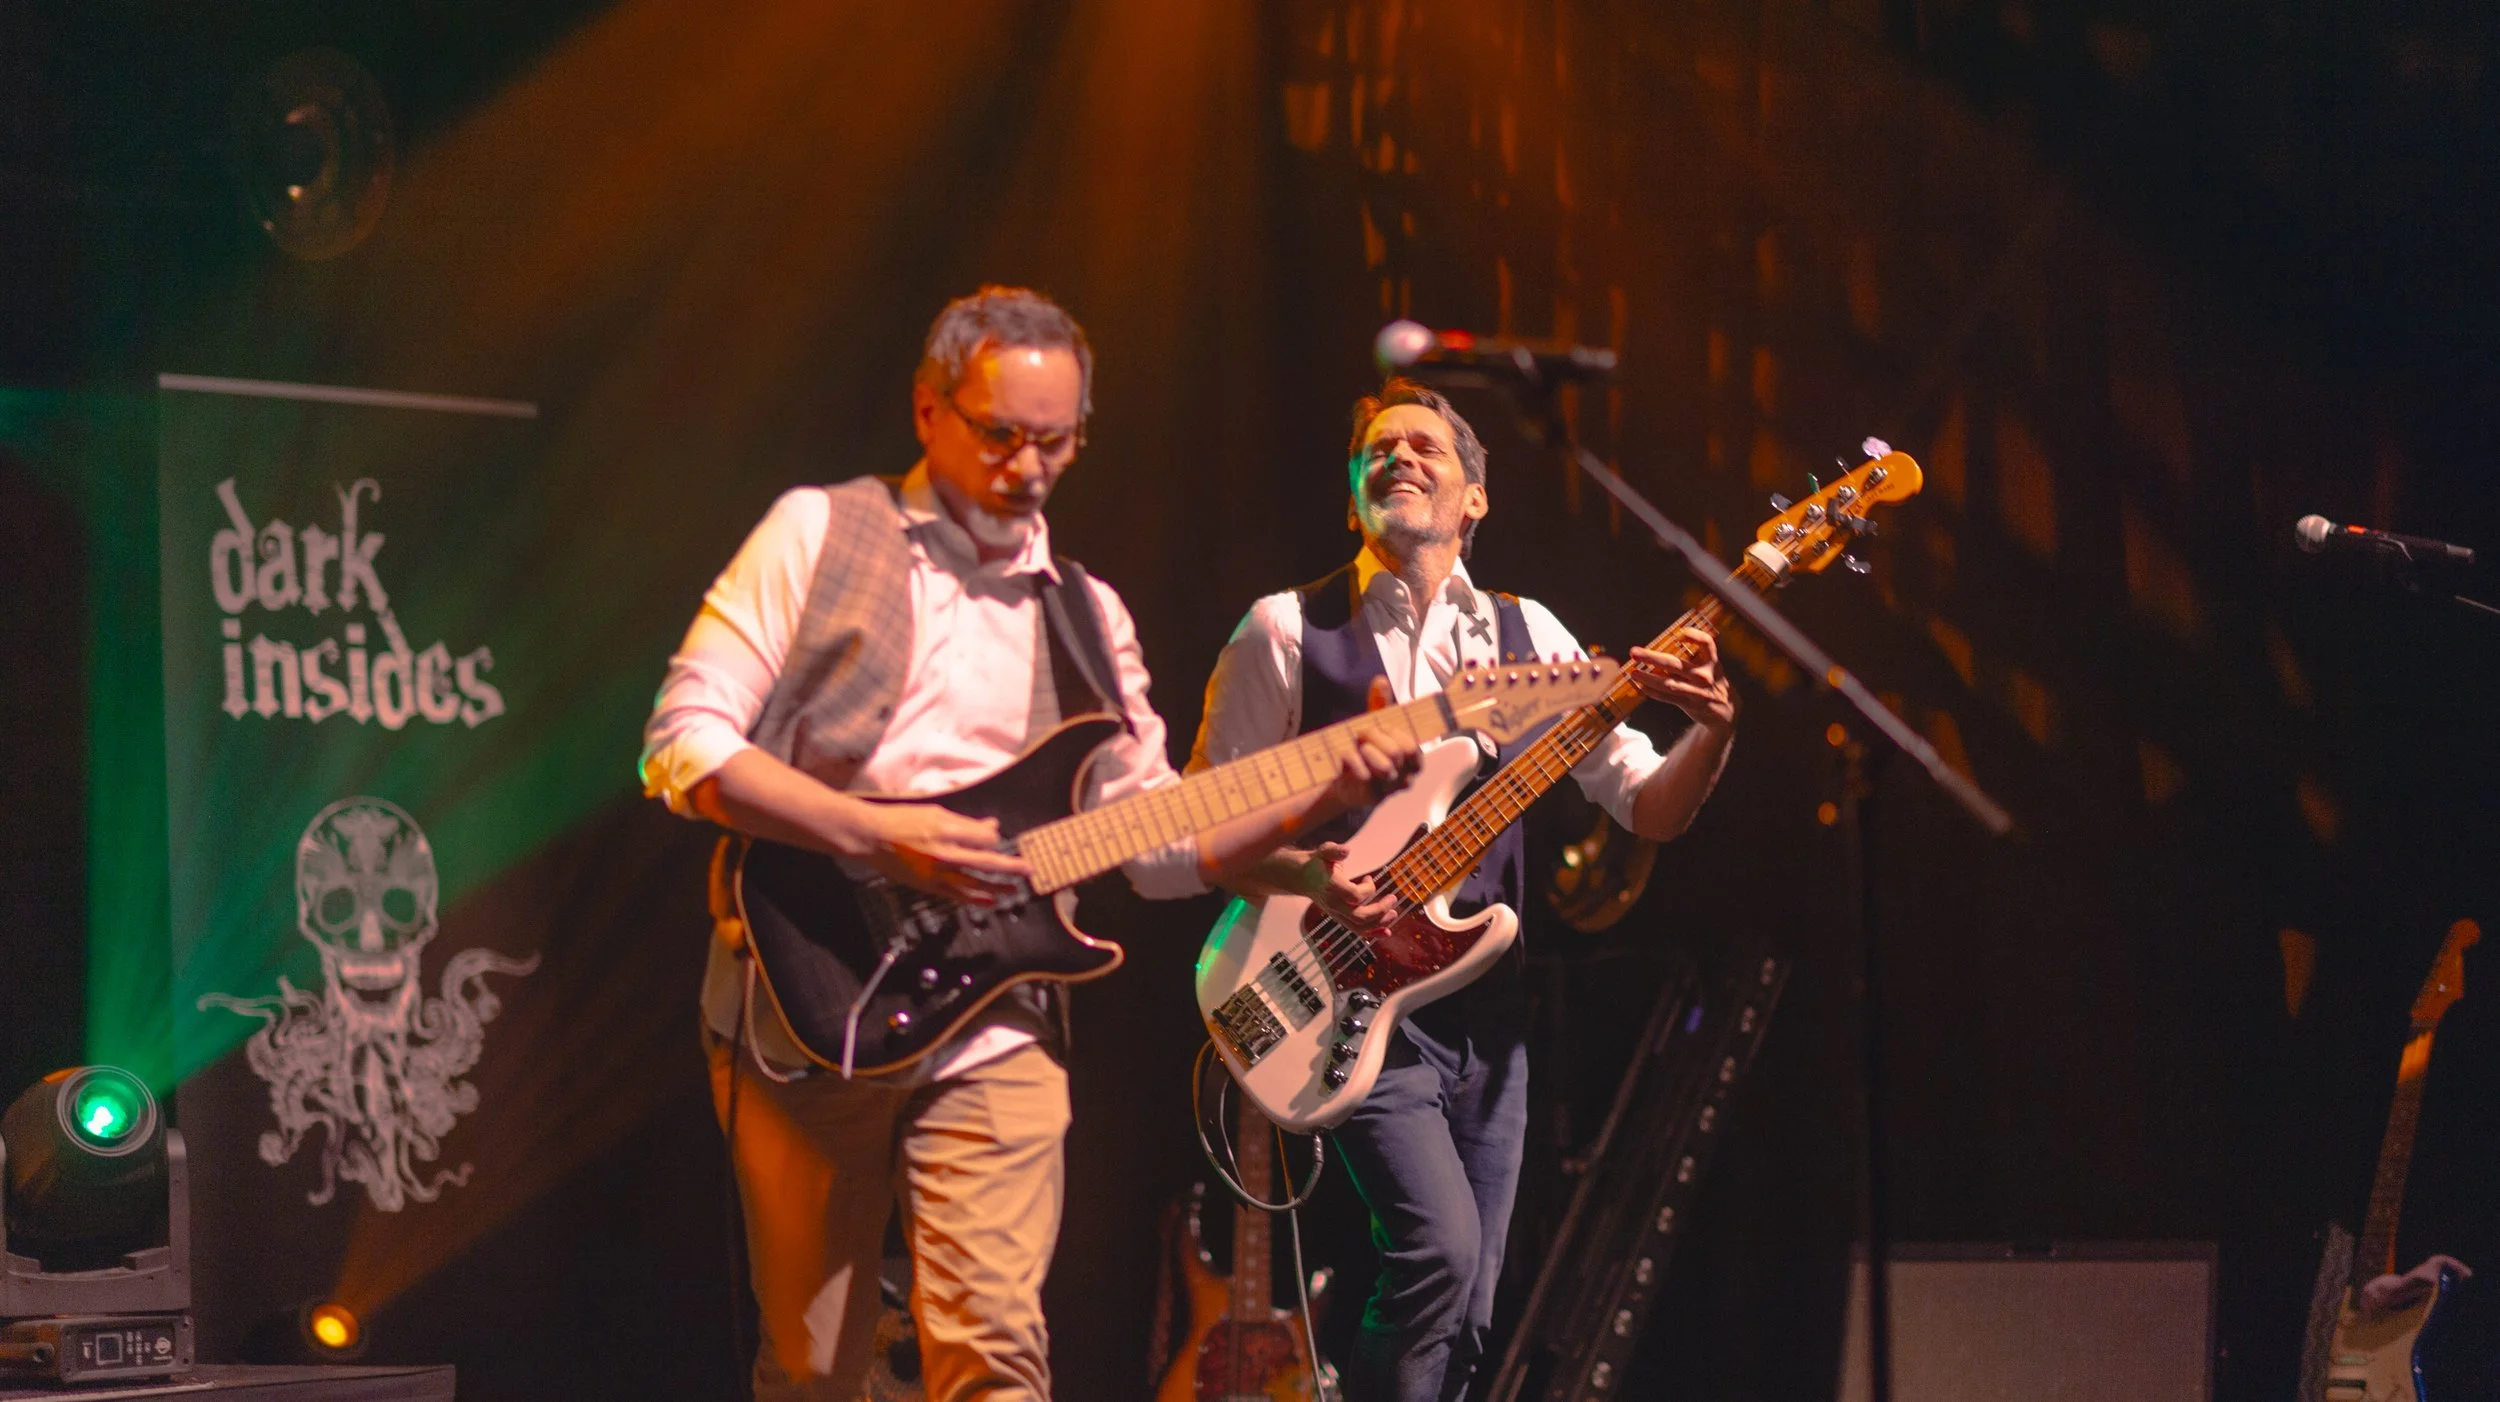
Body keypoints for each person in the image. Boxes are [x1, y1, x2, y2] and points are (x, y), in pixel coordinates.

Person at [639, 286, 1416, 1402]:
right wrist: (876, 833)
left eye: (1055, 441)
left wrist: (1309, 802)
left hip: (1000, 1009)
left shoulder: (1088, 613)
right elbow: (683, 744)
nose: (1028, 466)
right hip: (811, 983)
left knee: (997, 1347)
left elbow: (1150, 842)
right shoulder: (820, 529)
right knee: (816, 1363)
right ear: (927, 409)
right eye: (1001, 434)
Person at [1188, 377, 1737, 1402]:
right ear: (1354, 491)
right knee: (1438, 1255)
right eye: (1377, 450)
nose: (1398, 457)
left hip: (1492, 1012)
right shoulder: (1283, 630)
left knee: (1472, 1308)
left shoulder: (1534, 637)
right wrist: (1311, 871)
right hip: (1339, 986)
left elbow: (1646, 809)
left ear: (1476, 497)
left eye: (1425, 448)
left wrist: (1713, 729)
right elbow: (1200, 834)